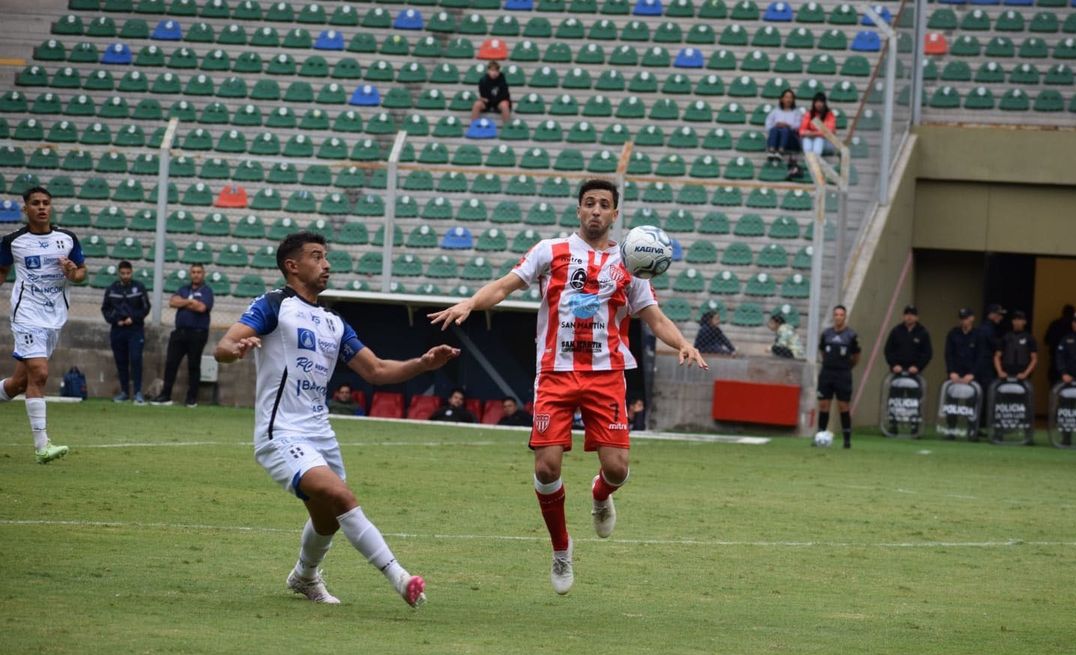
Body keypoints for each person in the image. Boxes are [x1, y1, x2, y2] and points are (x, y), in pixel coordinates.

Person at [429, 178, 707, 595]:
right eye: (589, 203)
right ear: (579, 210)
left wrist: (683, 342)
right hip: (555, 374)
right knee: (546, 467)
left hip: (606, 375)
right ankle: (561, 547)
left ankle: (600, 495)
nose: (596, 210)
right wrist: (471, 302)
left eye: (604, 205)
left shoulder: (631, 263)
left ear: (615, 215)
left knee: (617, 469)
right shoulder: (551, 251)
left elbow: (654, 318)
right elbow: (504, 286)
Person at [214, 231, 459, 606]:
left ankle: (304, 577)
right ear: (292, 266)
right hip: (281, 432)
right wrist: (238, 348)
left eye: (326, 256)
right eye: (316, 256)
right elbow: (224, 347)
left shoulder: (333, 321)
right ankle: (400, 577)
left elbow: (375, 370)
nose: (326, 264)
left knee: (327, 518)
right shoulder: (273, 305)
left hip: (320, 431)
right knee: (340, 495)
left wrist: (423, 364)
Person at [0, 187, 86, 463]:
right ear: (25, 209)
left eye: (46, 203)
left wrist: (73, 271)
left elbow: (82, 274)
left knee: (18, 383)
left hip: (54, 318)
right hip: (26, 315)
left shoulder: (67, 239)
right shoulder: (13, 241)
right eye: (35, 203)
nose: (41, 207)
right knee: (40, 374)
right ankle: (42, 445)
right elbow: (1, 273)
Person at [149, 263, 213, 407]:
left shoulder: (207, 291)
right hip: (179, 333)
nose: (196, 274)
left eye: (199, 272)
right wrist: (190, 302)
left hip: (198, 333)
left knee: (193, 365)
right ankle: (165, 395)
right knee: (171, 364)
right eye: (193, 272)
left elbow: (202, 307)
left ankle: (191, 399)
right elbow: (172, 302)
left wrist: (182, 302)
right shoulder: (184, 289)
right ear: (190, 274)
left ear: (203, 274)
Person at [101, 259, 151, 404]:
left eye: (128, 273)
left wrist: (133, 318)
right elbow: (105, 309)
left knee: (136, 359)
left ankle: (137, 393)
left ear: (132, 272)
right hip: (117, 330)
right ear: (119, 273)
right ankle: (124, 392)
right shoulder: (112, 289)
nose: (125, 276)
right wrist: (116, 320)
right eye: (123, 273)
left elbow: (146, 307)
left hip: (135, 330)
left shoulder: (139, 287)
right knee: (121, 361)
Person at [816, 304, 860, 449]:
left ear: (845, 317)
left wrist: (847, 366)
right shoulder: (826, 334)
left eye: (841, 315)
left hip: (843, 374)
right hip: (827, 373)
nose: (838, 317)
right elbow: (823, 352)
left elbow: (856, 356)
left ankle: (847, 439)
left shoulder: (851, 335)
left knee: (843, 406)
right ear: (833, 317)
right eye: (836, 315)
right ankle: (820, 436)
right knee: (823, 405)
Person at [884, 305, 932, 376]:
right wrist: (894, 365)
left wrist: (917, 366)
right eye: (907, 314)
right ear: (903, 316)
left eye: (912, 314)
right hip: (897, 372)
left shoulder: (923, 333)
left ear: (917, 317)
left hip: (915, 373)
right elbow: (888, 350)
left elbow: (927, 353)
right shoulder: (896, 331)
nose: (909, 317)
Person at [797, 91, 837, 172]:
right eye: (816, 102)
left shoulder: (829, 115)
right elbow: (801, 130)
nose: (818, 104)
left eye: (821, 102)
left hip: (825, 141)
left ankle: (815, 161)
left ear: (824, 103)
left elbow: (828, 132)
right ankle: (811, 161)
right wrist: (809, 134)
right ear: (814, 103)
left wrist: (813, 133)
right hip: (810, 138)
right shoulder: (809, 114)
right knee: (806, 140)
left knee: (818, 139)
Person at [994, 310, 1038, 382]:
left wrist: (1025, 373)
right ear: (1012, 321)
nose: (1017, 322)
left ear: (1024, 322)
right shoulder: (1006, 337)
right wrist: (1000, 372)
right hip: (1006, 374)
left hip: (1022, 375)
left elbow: (1034, 359)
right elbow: (997, 356)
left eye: (1020, 320)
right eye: (1015, 320)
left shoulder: (1029, 338)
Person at [764, 88, 802, 167]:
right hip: (777, 137)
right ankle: (772, 151)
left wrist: (788, 125)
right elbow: (768, 123)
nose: (788, 99)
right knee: (774, 129)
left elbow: (799, 125)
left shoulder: (796, 112)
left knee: (785, 129)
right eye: (786, 97)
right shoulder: (775, 111)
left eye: (790, 97)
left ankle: (780, 152)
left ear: (793, 100)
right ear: (781, 99)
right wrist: (776, 125)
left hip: (791, 140)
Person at [471, 60, 512, 126]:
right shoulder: (483, 80)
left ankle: (507, 127)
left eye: (496, 71)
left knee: (504, 104)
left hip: (499, 102)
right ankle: (473, 126)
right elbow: (483, 96)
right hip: (488, 103)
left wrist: (491, 99)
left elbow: (504, 95)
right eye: (492, 70)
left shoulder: (502, 80)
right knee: (477, 104)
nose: (494, 73)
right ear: (488, 71)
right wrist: (486, 99)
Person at [1043, 303, 1075, 386]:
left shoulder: (1055, 325)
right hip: (1069, 364)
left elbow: (1046, 341)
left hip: (1057, 362)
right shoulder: (1074, 328)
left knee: (1054, 389)